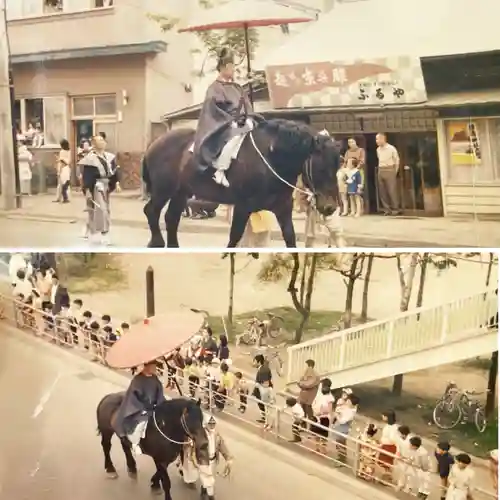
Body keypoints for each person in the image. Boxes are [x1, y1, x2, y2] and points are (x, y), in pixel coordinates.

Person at [192, 46, 253, 187]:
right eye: (231, 66)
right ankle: (221, 169)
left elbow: (247, 105)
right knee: (235, 136)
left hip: (244, 122)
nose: (233, 70)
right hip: (223, 124)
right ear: (224, 67)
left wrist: (249, 117)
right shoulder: (215, 88)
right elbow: (212, 109)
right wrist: (230, 122)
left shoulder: (238, 87)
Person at [114, 360, 166, 456]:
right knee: (140, 425)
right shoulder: (137, 380)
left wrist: (161, 404)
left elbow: (160, 394)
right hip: (140, 409)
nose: (155, 369)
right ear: (147, 366)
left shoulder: (155, 379)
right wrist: (142, 408)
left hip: (154, 408)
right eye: (153, 366)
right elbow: (133, 397)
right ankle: (135, 443)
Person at [78, 134, 120, 245]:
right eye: (99, 140)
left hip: (107, 185)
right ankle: (104, 234)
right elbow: (87, 176)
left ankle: (88, 227)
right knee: (102, 209)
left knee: (96, 210)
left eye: (103, 140)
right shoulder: (90, 159)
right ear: (94, 144)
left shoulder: (109, 157)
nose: (102, 142)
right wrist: (87, 190)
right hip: (96, 186)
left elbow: (115, 171)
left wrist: (117, 183)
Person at [376, 132, 401, 216]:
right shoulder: (378, 149)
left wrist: (395, 171)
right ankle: (387, 209)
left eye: (378, 139)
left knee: (392, 190)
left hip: (390, 169)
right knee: (382, 191)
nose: (376, 141)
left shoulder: (391, 148)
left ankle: (395, 208)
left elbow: (396, 160)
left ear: (383, 139)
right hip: (381, 169)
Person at [310, 378, 335, 453]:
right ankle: (316, 447)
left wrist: (322, 413)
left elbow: (329, 410)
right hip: (316, 415)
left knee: (324, 434)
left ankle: (323, 449)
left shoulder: (330, 397)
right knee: (315, 433)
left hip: (324, 418)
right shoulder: (319, 394)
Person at [377, 409, 399, 481]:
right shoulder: (391, 426)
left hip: (389, 446)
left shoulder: (392, 428)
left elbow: (392, 438)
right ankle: (386, 477)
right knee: (384, 462)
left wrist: (384, 441)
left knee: (386, 462)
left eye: (383, 416)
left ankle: (387, 477)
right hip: (386, 445)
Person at [252, 354, 273, 424]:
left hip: (263, 391)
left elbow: (266, 383)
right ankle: (265, 418)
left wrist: (258, 385)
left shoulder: (263, 370)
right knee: (261, 404)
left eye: (254, 361)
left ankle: (266, 419)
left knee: (263, 404)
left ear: (259, 362)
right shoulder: (263, 368)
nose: (253, 363)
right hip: (261, 390)